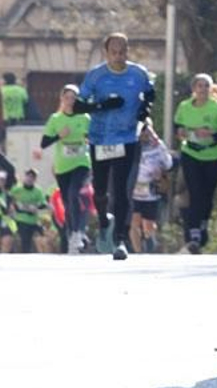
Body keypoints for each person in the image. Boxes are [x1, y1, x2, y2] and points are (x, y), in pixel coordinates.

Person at [77, 32, 156, 261]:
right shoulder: (96, 76)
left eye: (123, 52)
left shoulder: (138, 73)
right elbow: (79, 106)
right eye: (114, 52)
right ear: (106, 53)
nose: (119, 56)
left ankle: (120, 240)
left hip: (127, 137)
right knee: (100, 190)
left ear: (127, 51)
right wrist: (102, 105)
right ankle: (104, 221)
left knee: (121, 190)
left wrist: (145, 109)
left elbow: (150, 94)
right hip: (100, 138)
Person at [175, 73, 217, 253]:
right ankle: (194, 234)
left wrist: (212, 134)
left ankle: (203, 225)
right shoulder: (184, 107)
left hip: (214, 156)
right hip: (191, 153)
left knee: (207, 195)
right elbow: (177, 125)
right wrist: (182, 132)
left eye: (206, 86)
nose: (202, 89)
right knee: (195, 192)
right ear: (194, 89)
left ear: (211, 89)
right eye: (199, 86)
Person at [40, 85, 92, 253]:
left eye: (74, 98)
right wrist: (59, 136)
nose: (70, 101)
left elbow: (93, 138)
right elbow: (44, 143)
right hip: (63, 166)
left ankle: (77, 233)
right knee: (68, 202)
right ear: (62, 99)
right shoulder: (55, 119)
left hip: (81, 163)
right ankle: (73, 235)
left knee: (73, 193)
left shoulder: (85, 118)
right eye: (67, 98)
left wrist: (88, 139)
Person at [129, 122, 174, 252]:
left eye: (146, 129)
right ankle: (138, 253)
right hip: (134, 190)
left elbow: (168, 163)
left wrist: (160, 173)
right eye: (141, 130)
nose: (144, 133)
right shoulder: (130, 144)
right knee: (134, 222)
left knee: (149, 225)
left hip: (151, 191)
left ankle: (150, 243)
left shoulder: (158, 146)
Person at [10, 169, 51, 253]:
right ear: (25, 177)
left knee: (44, 236)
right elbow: (9, 198)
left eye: (32, 177)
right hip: (21, 219)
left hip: (34, 220)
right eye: (28, 176)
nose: (30, 179)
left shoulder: (38, 191)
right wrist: (17, 205)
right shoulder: (17, 189)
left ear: (35, 179)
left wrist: (35, 207)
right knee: (25, 238)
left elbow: (43, 203)